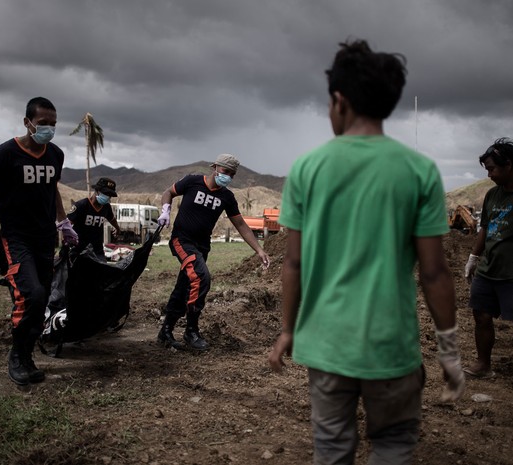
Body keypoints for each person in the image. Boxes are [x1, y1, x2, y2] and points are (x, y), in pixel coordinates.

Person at [268, 40, 464, 465]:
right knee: (394, 445)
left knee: (332, 448)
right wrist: (448, 349)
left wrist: (288, 329)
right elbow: (435, 273)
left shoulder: (307, 167)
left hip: (325, 346)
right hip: (391, 347)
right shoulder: (419, 171)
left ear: (339, 101)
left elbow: (293, 263)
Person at [0, 97, 78, 386]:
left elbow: (52, 190)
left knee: (42, 297)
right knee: (31, 294)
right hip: (16, 237)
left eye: (53, 124)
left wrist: (63, 222)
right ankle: (18, 355)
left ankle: (27, 353)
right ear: (27, 122)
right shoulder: (7, 153)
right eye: (43, 123)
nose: (48, 129)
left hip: (45, 238)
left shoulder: (55, 155)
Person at [157, 153, 270, 350]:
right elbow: (169, 192)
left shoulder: (226, 197)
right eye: (226, 171)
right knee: (201, 278)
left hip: (202, 246)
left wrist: (259, 250)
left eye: (232, 175)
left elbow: (241, 225)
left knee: (185, 286)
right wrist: (165, 210)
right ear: (215, 167)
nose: (228, 177)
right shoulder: (192, 182)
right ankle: (191, 331)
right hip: (181, 241)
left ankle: (165, 331)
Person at [464, 138, 513, 382]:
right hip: (489, 270)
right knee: (481, 315)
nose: (489, 174)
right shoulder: (493, 195)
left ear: (509, 165)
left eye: (492, 168)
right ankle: (483, 364)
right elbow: (485, 228)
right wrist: (473, 257)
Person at [67, 177, 121, 260]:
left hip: (97, 250)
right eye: (106, 194)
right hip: (79, 249)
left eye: (110, 196)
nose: (108, 198)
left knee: (102, 270)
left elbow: (112, 219)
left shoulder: (106, 207)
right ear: (97, 191)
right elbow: (68, 224)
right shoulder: (81, 205)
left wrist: (117, 228)